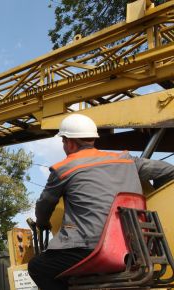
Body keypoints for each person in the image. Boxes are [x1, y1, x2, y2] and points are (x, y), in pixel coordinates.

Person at [27, 113, 174, 290]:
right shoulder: (126, 160)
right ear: (92, 139)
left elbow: (44, 207)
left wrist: (42, 223)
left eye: (63, 142)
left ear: (69, 142)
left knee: (38, 267)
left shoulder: (63, 169)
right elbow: (168, 171)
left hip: (91, 249)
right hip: (137, 248)